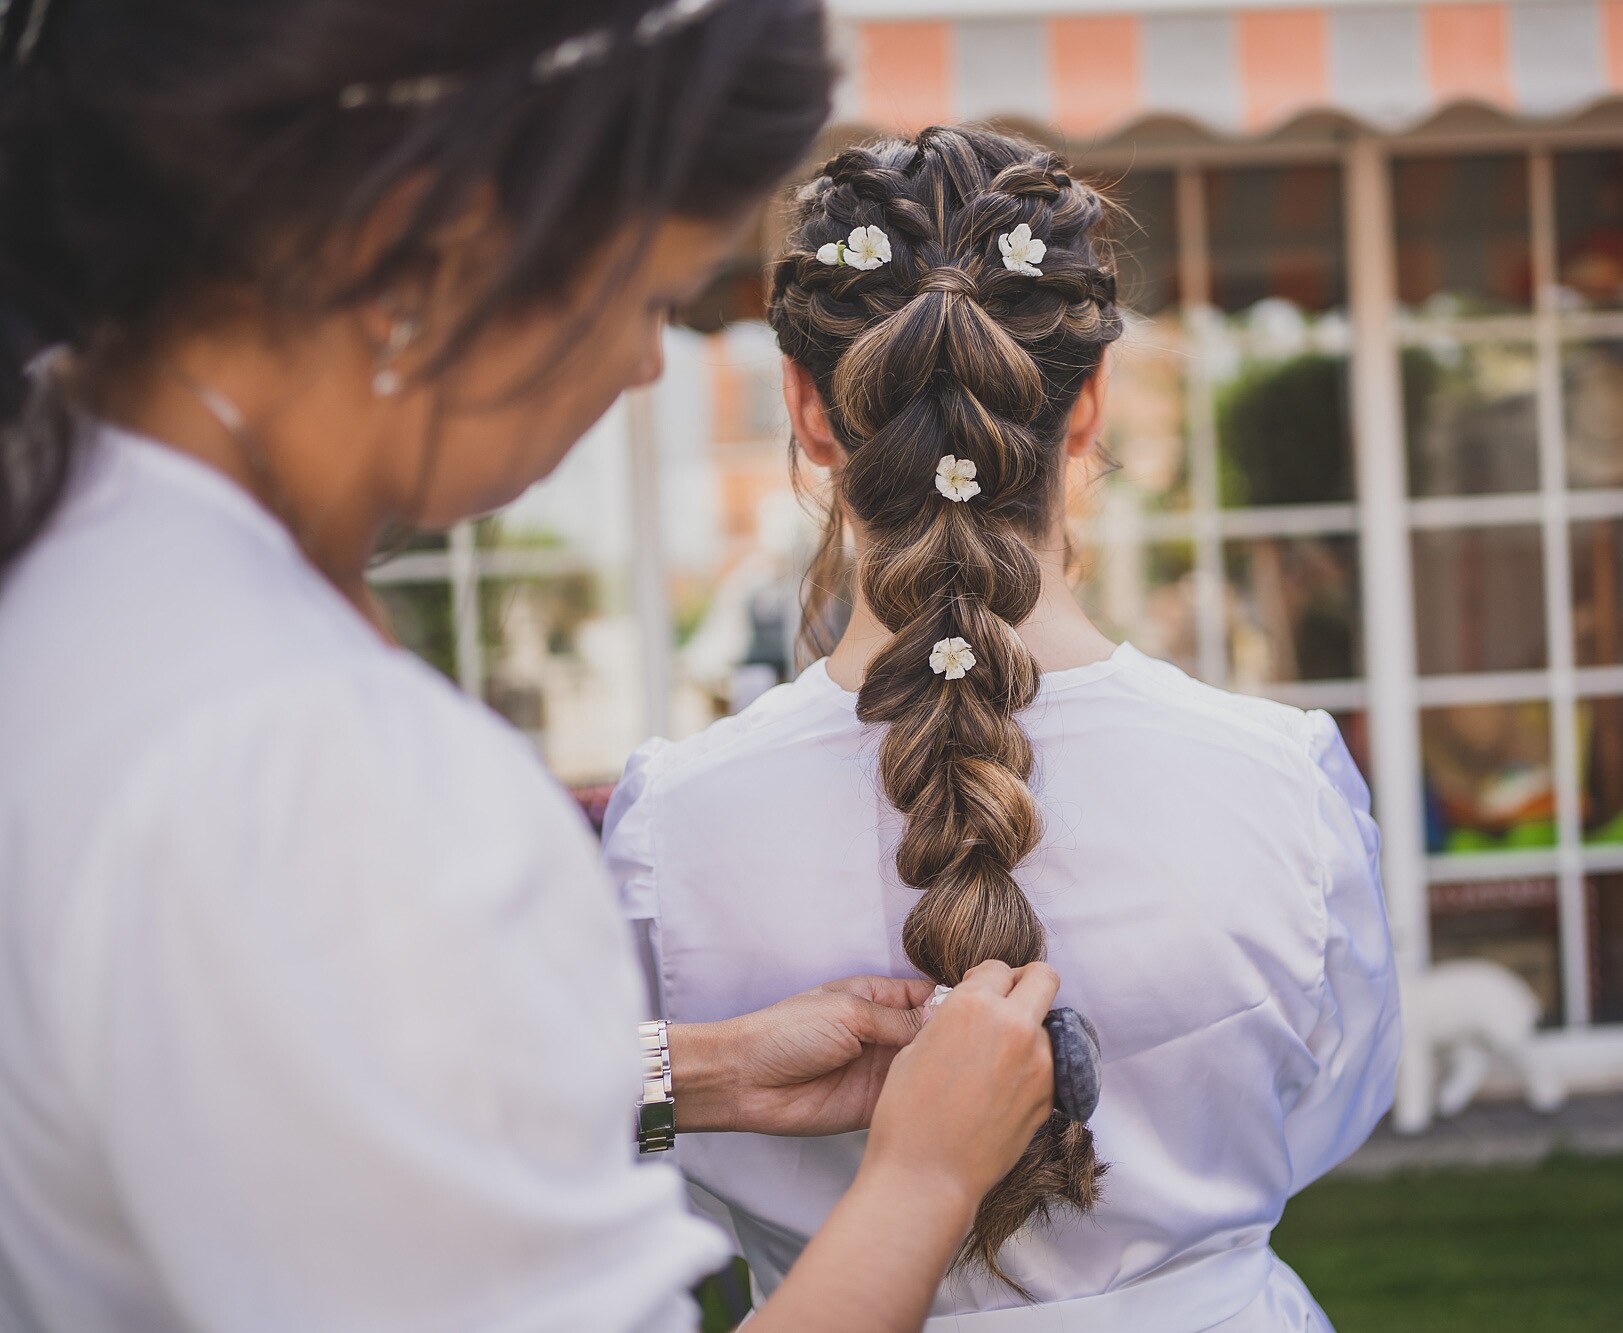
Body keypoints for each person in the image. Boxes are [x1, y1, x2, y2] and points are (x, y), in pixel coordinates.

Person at [0, 4, 1060, 1331]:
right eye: (650, 297)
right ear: (440, 233)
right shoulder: (307, 758)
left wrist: (697, 1073)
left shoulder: (82, 571)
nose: (635, 365)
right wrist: (920, 1180)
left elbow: (254, 1085)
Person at [605, 126, 1402, 1331]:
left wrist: (688, 1075)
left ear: (808, 413)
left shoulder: (674, 821)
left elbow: (572, 1134)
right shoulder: (1280, 782)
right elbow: (1334, 1102)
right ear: (1087, 409)